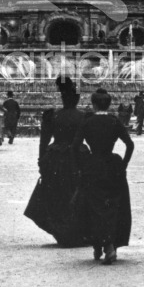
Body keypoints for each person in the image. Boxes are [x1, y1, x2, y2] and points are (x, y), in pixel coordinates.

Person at [25, 77, 88, 247]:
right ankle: (76, 231)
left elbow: (43, 141)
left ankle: (61, 231)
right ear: (76, 99)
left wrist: (41, 161)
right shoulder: (83, 116)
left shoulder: (53, 115)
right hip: (77, 157)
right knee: (77, 193)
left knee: (57, 195)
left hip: (55, 158)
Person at [74, 88, 134, 264]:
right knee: (112, 205)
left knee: (93, 205)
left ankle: (100, 244)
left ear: (93, 104)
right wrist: (123, 165)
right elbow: (130, 145)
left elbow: (74, 146)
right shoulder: (114, 121)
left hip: (93, 165)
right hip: (112, 164)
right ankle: (109, 243)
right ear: (109, 104)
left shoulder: (88, 122)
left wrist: (79, 166)